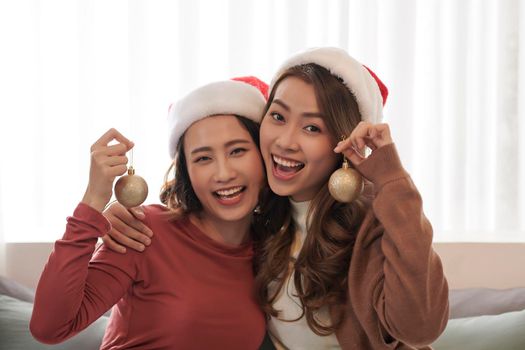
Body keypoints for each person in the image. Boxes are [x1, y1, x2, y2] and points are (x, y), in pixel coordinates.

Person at [103, 47, 449, 349]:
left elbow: (419, 328)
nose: (285, 141)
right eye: (278, 117)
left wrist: (392, 178)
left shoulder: (372, 223)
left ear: (342, 143)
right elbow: (192, 224)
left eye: (312, 127)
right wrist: (116, 215)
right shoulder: (261, 218)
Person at [30, 77, 277, 350]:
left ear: (264, 156)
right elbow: (49, 327)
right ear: (187, 172)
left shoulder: (272, 248)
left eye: (238, 151)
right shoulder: (143, 232)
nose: (223, 173)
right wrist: (93, 205)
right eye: (203, 158)